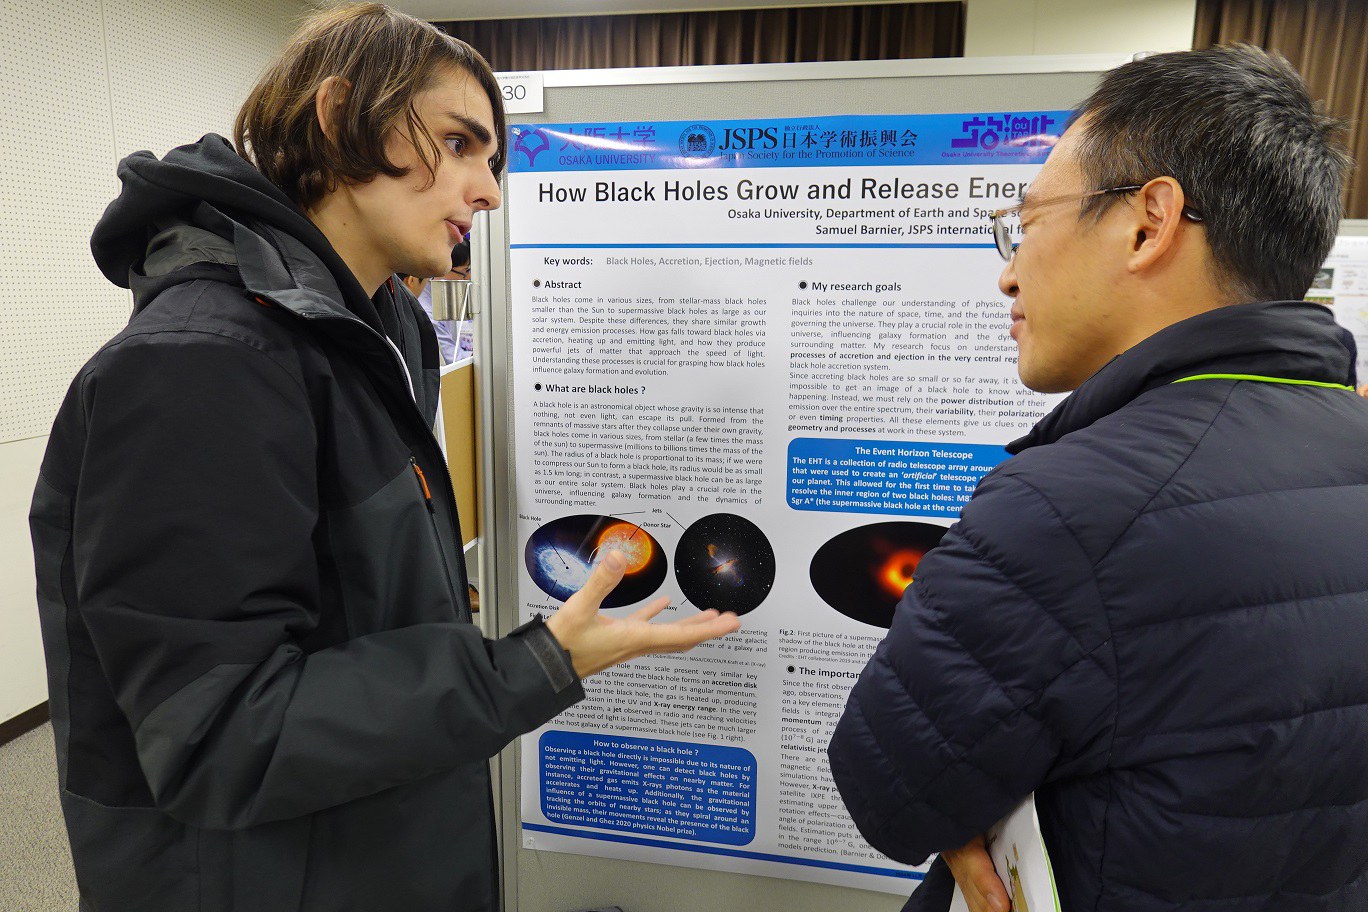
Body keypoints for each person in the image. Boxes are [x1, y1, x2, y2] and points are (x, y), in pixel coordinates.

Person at [28, 5, 738, 911]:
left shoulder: (372, 331)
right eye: (459, 143)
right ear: (338, 118)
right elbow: (220, 737)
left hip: (368, 835)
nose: (488, 191)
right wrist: (526, 668)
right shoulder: (202, 365)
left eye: (493, 160)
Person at [828, 45, 1368, 912]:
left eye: (1026, 224)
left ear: (1149, 223)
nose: (1008, 272)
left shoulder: (1071, 509)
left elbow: (889, 792)